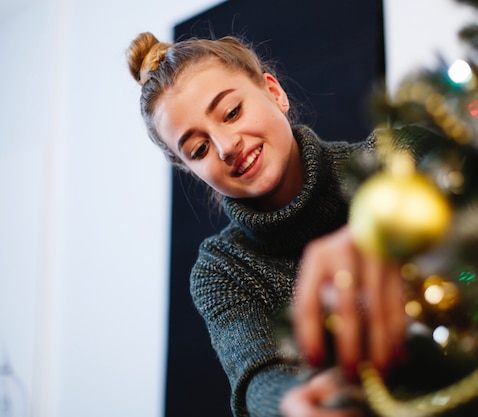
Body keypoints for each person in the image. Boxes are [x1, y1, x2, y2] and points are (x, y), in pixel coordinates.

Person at [126, 31, 440, 417]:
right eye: (199, 149)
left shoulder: (391, 156)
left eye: (231, 112)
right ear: (191, 170)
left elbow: (455, 166)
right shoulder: (220, 271)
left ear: (274, 91)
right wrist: (290, 402)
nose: (226, 146)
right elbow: (258, 376)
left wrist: (372, 233)